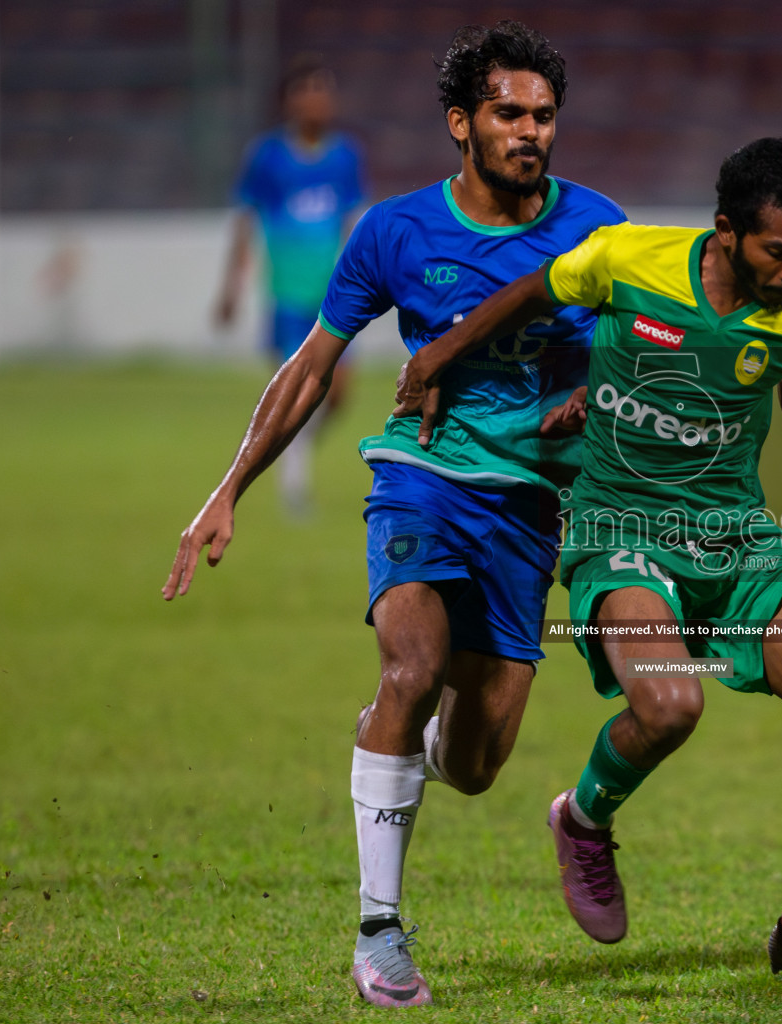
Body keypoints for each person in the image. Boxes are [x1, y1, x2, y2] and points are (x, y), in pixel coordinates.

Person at [163, 21, 625, 1007]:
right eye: (508, 113)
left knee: (478, 759)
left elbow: (647, 347)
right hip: (421, 476)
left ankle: (404, 743)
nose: (530, 131)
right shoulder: (395, 231)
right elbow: (309, 371)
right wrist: (227, 487)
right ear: (462, 122)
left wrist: (604, 393)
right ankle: (380, 930)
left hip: (531, 507)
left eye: (543, 116)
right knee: (408, 665)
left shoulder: (599, 228)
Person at [395, 137, 782, 1000]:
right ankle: (583, 819)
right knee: (668, 704)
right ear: (727, 230)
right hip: (621, 529)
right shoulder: (630, 260)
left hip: (739, 540)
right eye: (780, 251)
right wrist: (440, 355)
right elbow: (531, 291)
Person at [215, 54, 367, 516]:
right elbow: (245, 220)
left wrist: (363, 283)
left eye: (323, 90)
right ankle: (293, 484)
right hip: (287, 296)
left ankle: (294, 449)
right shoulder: (268, 157)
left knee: (338, 392)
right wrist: (232, 287)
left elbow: (351, 223)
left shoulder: (345, 156)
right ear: (289, 100)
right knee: (298, 387)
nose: (316, 100)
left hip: (333, 296)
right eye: (307, 90)